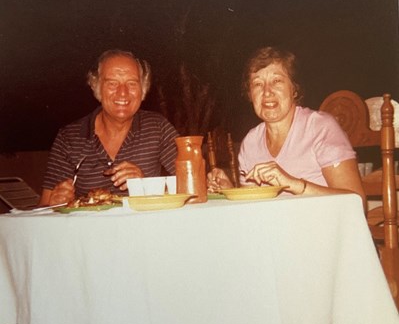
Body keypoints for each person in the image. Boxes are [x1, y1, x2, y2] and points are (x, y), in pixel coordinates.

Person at [208, 46, 366, 208]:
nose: (267, 92)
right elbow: (252, 210)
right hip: (278, 232)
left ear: (294, 89)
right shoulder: (251, 142)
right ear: (250, 94)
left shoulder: (320, 127)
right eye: (257, 84)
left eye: (276, 81)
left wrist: (292, 184)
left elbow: (357, 203)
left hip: (322, 229)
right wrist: (229, 192)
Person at [39, 49, 178, 206]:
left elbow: (191, 185)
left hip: (143, 227)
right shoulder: (69, 138)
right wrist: (54, 204)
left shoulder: (157, 127)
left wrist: (143, 185)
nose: (123, 93)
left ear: (143, 89)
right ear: (97, 87)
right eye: (112, 83)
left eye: (132, 83)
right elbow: (44, 205)